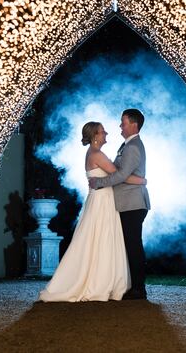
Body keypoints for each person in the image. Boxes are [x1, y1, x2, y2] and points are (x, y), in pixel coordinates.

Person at [39, 121, 147, 302]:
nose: (106, 133)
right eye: (102, 131)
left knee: (97, 240)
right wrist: (142, 181)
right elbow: (119, 175)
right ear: (95, 136)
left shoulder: (93, 153)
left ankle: (104, 280)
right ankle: (101, 282)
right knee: (101, 239)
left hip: (101, 200)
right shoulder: (97, 154)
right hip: (102, 202)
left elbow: (116, 175)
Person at [88, 108, 150, 300]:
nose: (120, 126)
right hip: (128, 202)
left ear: (134, 124)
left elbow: (121, 175)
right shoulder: (128, 145)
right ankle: (134, 285)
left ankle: (139, 289)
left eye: (123, 122)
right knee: (130, 245)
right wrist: (141, 180)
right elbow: (120, 172)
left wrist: (98, 183)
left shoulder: (132, 147)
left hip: (132, 203)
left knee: (133, 246)